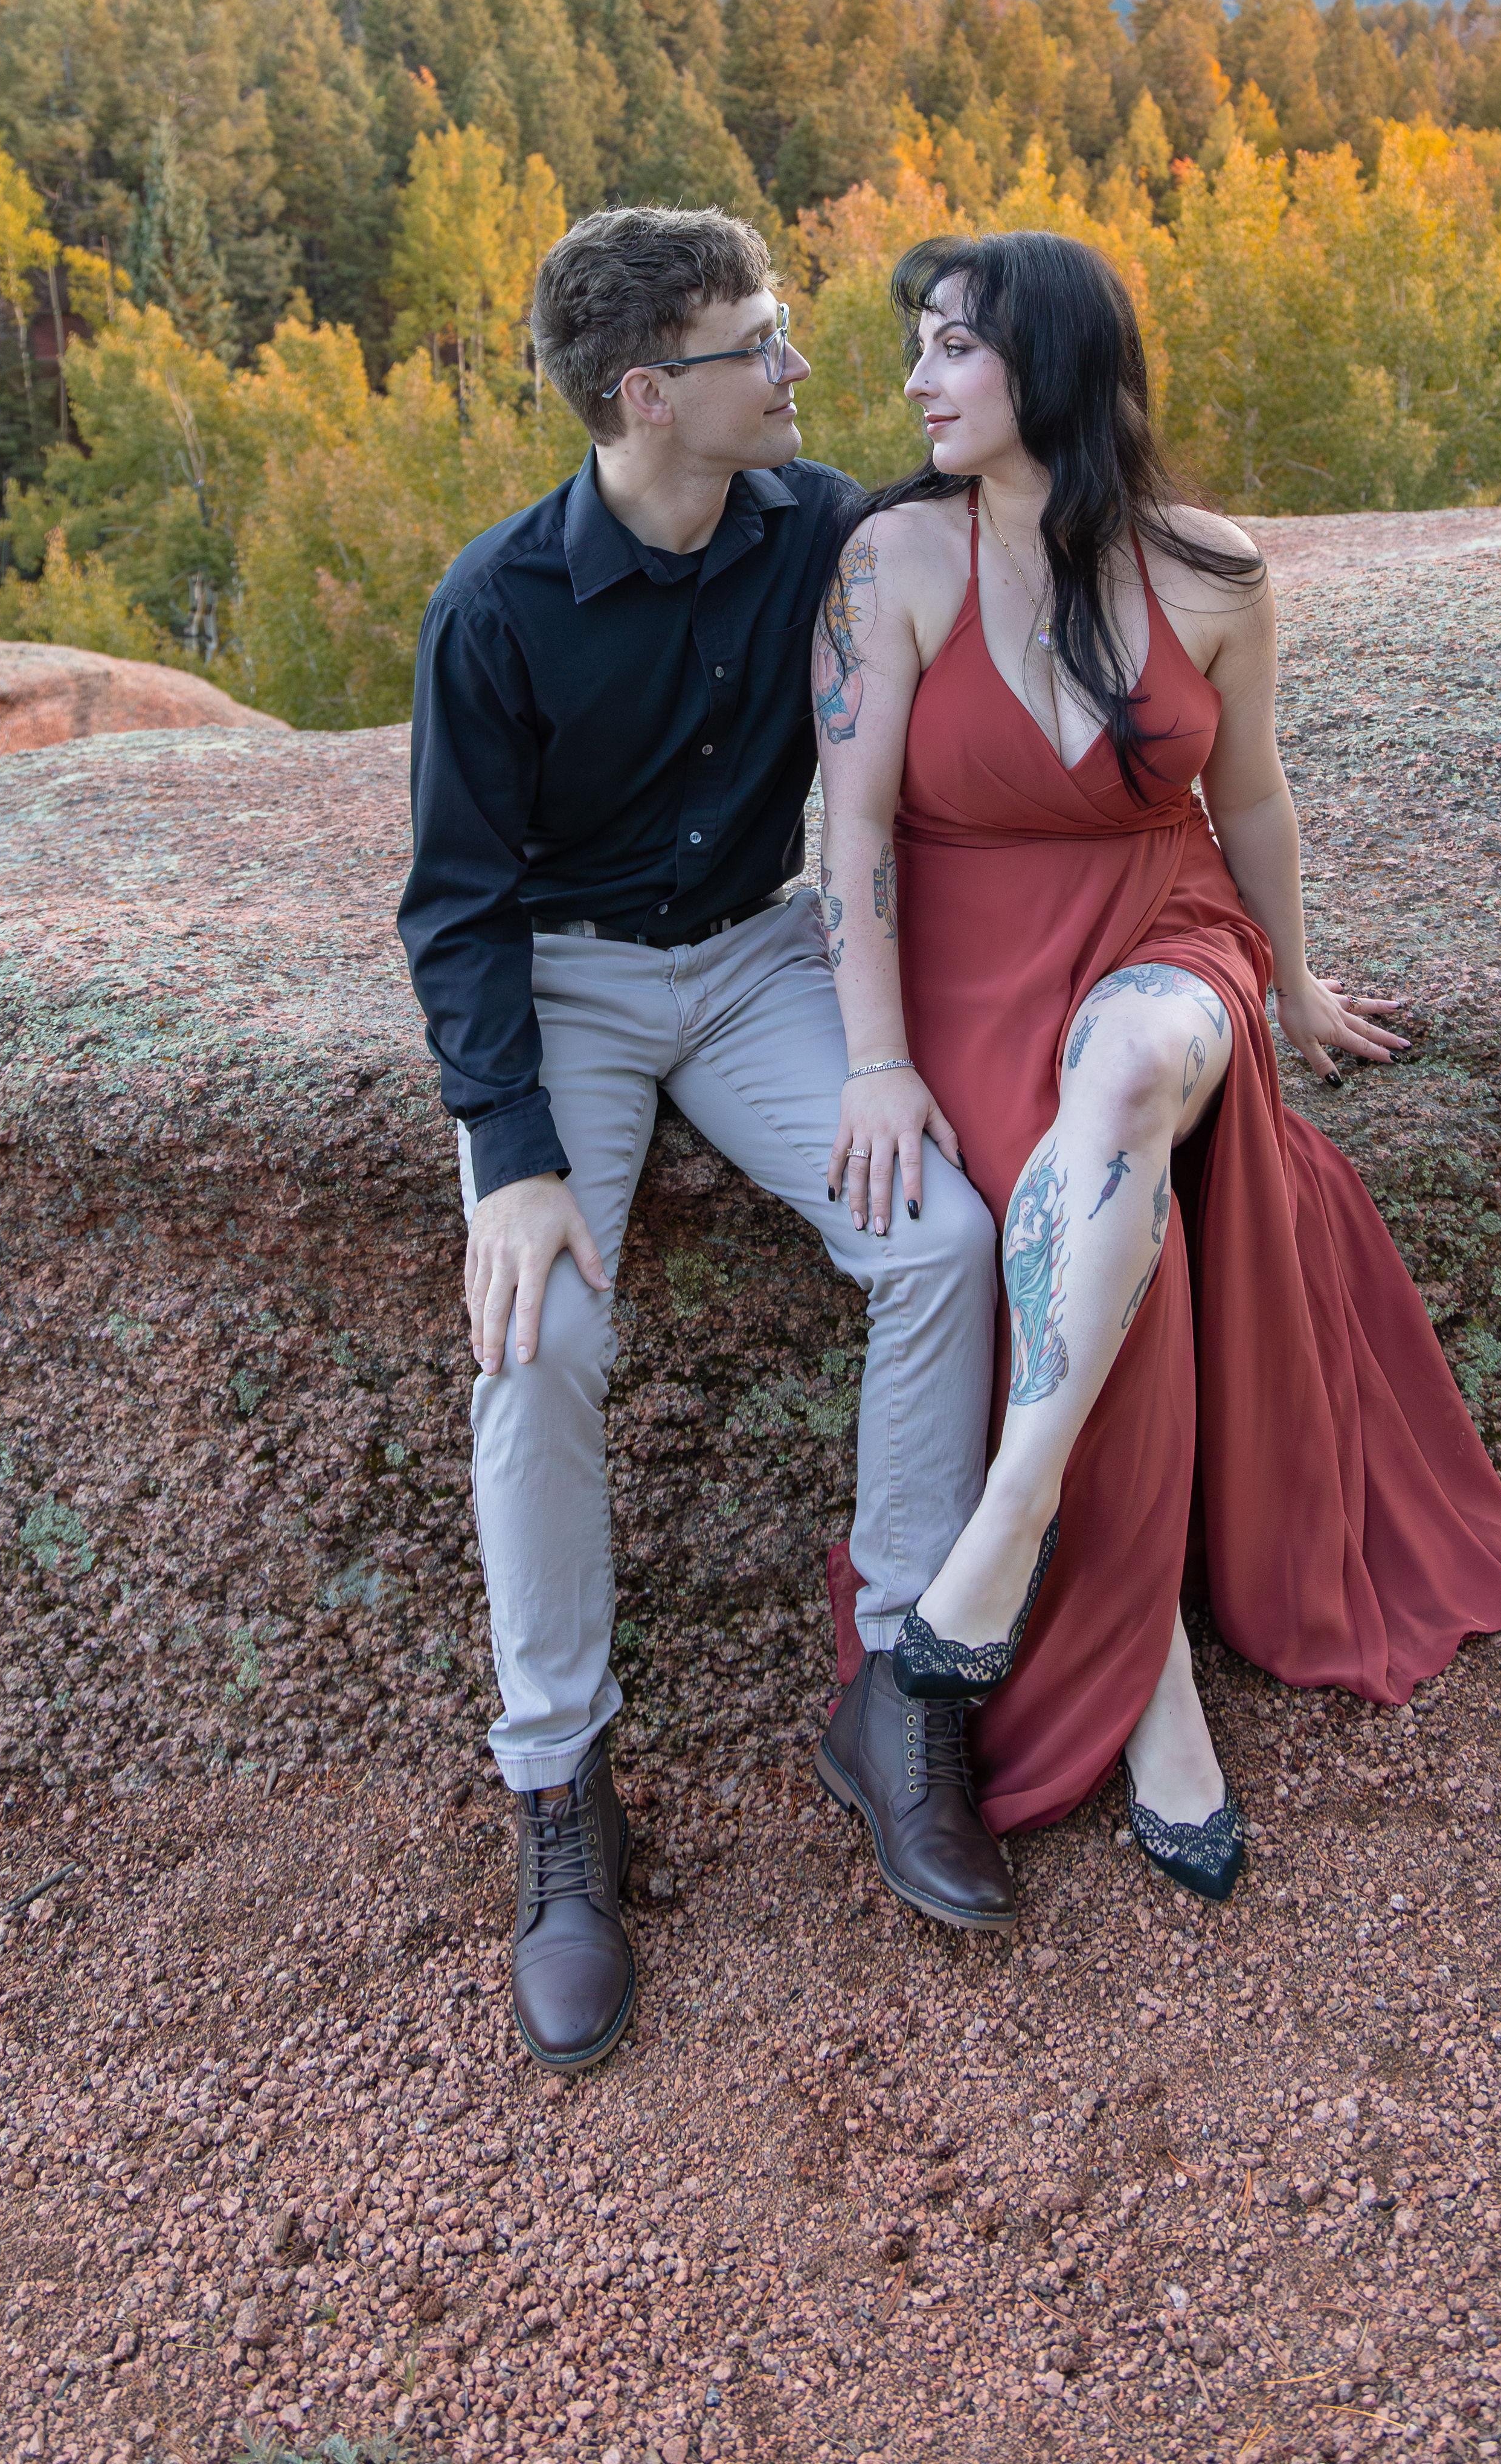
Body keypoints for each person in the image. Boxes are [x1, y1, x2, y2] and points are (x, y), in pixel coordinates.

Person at [809, 228, 1501, 1897]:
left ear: (1053, 363)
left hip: (1165, 922)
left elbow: (1252, 796)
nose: (918, 381)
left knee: (1134, 1083)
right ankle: (1159, 1698)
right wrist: (875, 1060)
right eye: (920, 347)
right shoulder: (892, 561)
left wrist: (1296, 985)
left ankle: (1006, 1527)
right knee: (1076, 1215)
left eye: (952, 346)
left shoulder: (1214, 571)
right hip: (973, 958)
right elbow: (848, 830)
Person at [397, 205, 1012, 2079]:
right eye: (762, 341)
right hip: (567, 984)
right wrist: (511, 1158)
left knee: (942, 1242)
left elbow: (1021, 517)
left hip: (759, 964)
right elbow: (455, 913)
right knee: (538, 1335)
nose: (799, 365)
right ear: (650, 394)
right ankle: (562, 1791)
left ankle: (900, 1690)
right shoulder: (495, 608)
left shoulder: (822, 528)